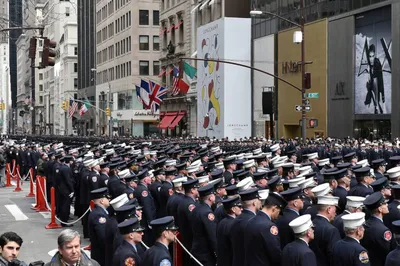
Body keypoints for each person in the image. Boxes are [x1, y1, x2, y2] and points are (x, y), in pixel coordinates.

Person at [244, 191, 288, 266]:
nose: (278, 216)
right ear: (274, 208)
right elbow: (275, 254)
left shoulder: (250, 221)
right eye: (279, 211)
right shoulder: (269, 226)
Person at [361, 192, 395, 266]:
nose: (387, 205)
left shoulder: (365, 224)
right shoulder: (383, 230)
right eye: (384, 204)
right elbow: (387, 252)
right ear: (380, 209)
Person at [87, 188, 110, 266]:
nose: (109, 199)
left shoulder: (99, 212)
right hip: (101, 254)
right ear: (102, 201)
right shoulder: (99, 215)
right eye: (107, 198)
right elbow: (103, 237)